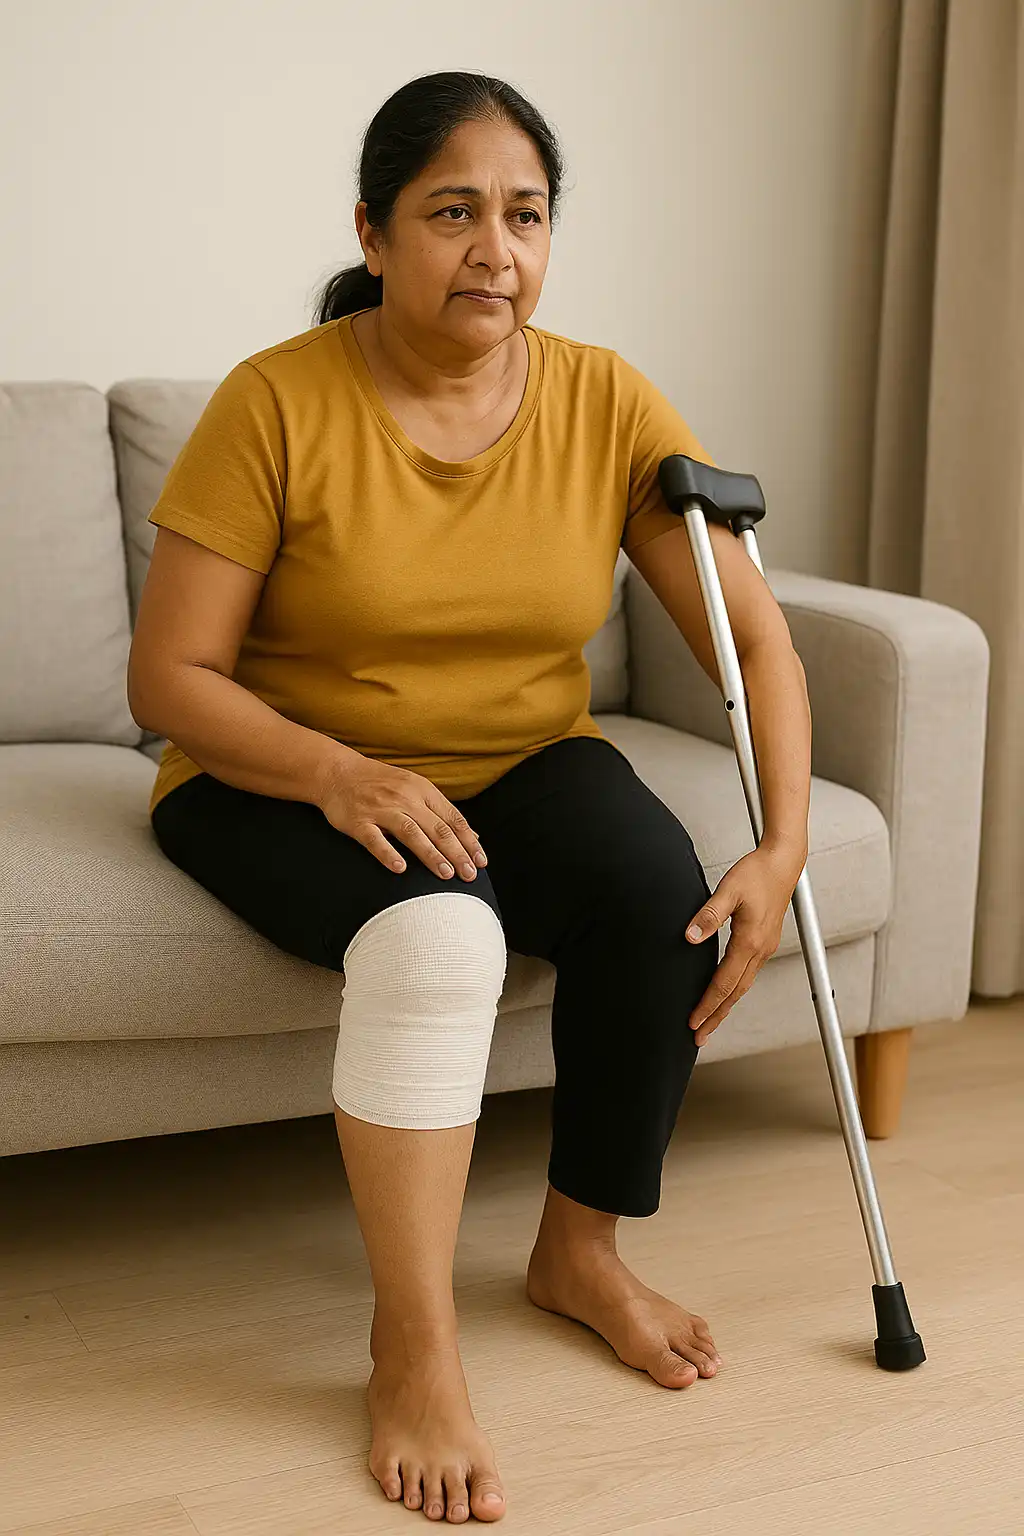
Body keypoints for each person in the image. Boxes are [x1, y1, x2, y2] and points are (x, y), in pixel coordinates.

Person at [128, 70, 810, 1526]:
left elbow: (754, 638)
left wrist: (784, 845)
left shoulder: (605, 398)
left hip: (513, 756)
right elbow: (170, 677)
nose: (495, 248)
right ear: (373, 234)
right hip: (275, 766)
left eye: (525, 213)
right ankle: (414, 1341)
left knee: (660, 900)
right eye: (453, 213)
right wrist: (333, 768)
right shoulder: (276, 402)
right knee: (444, 937)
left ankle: (580, 1251)